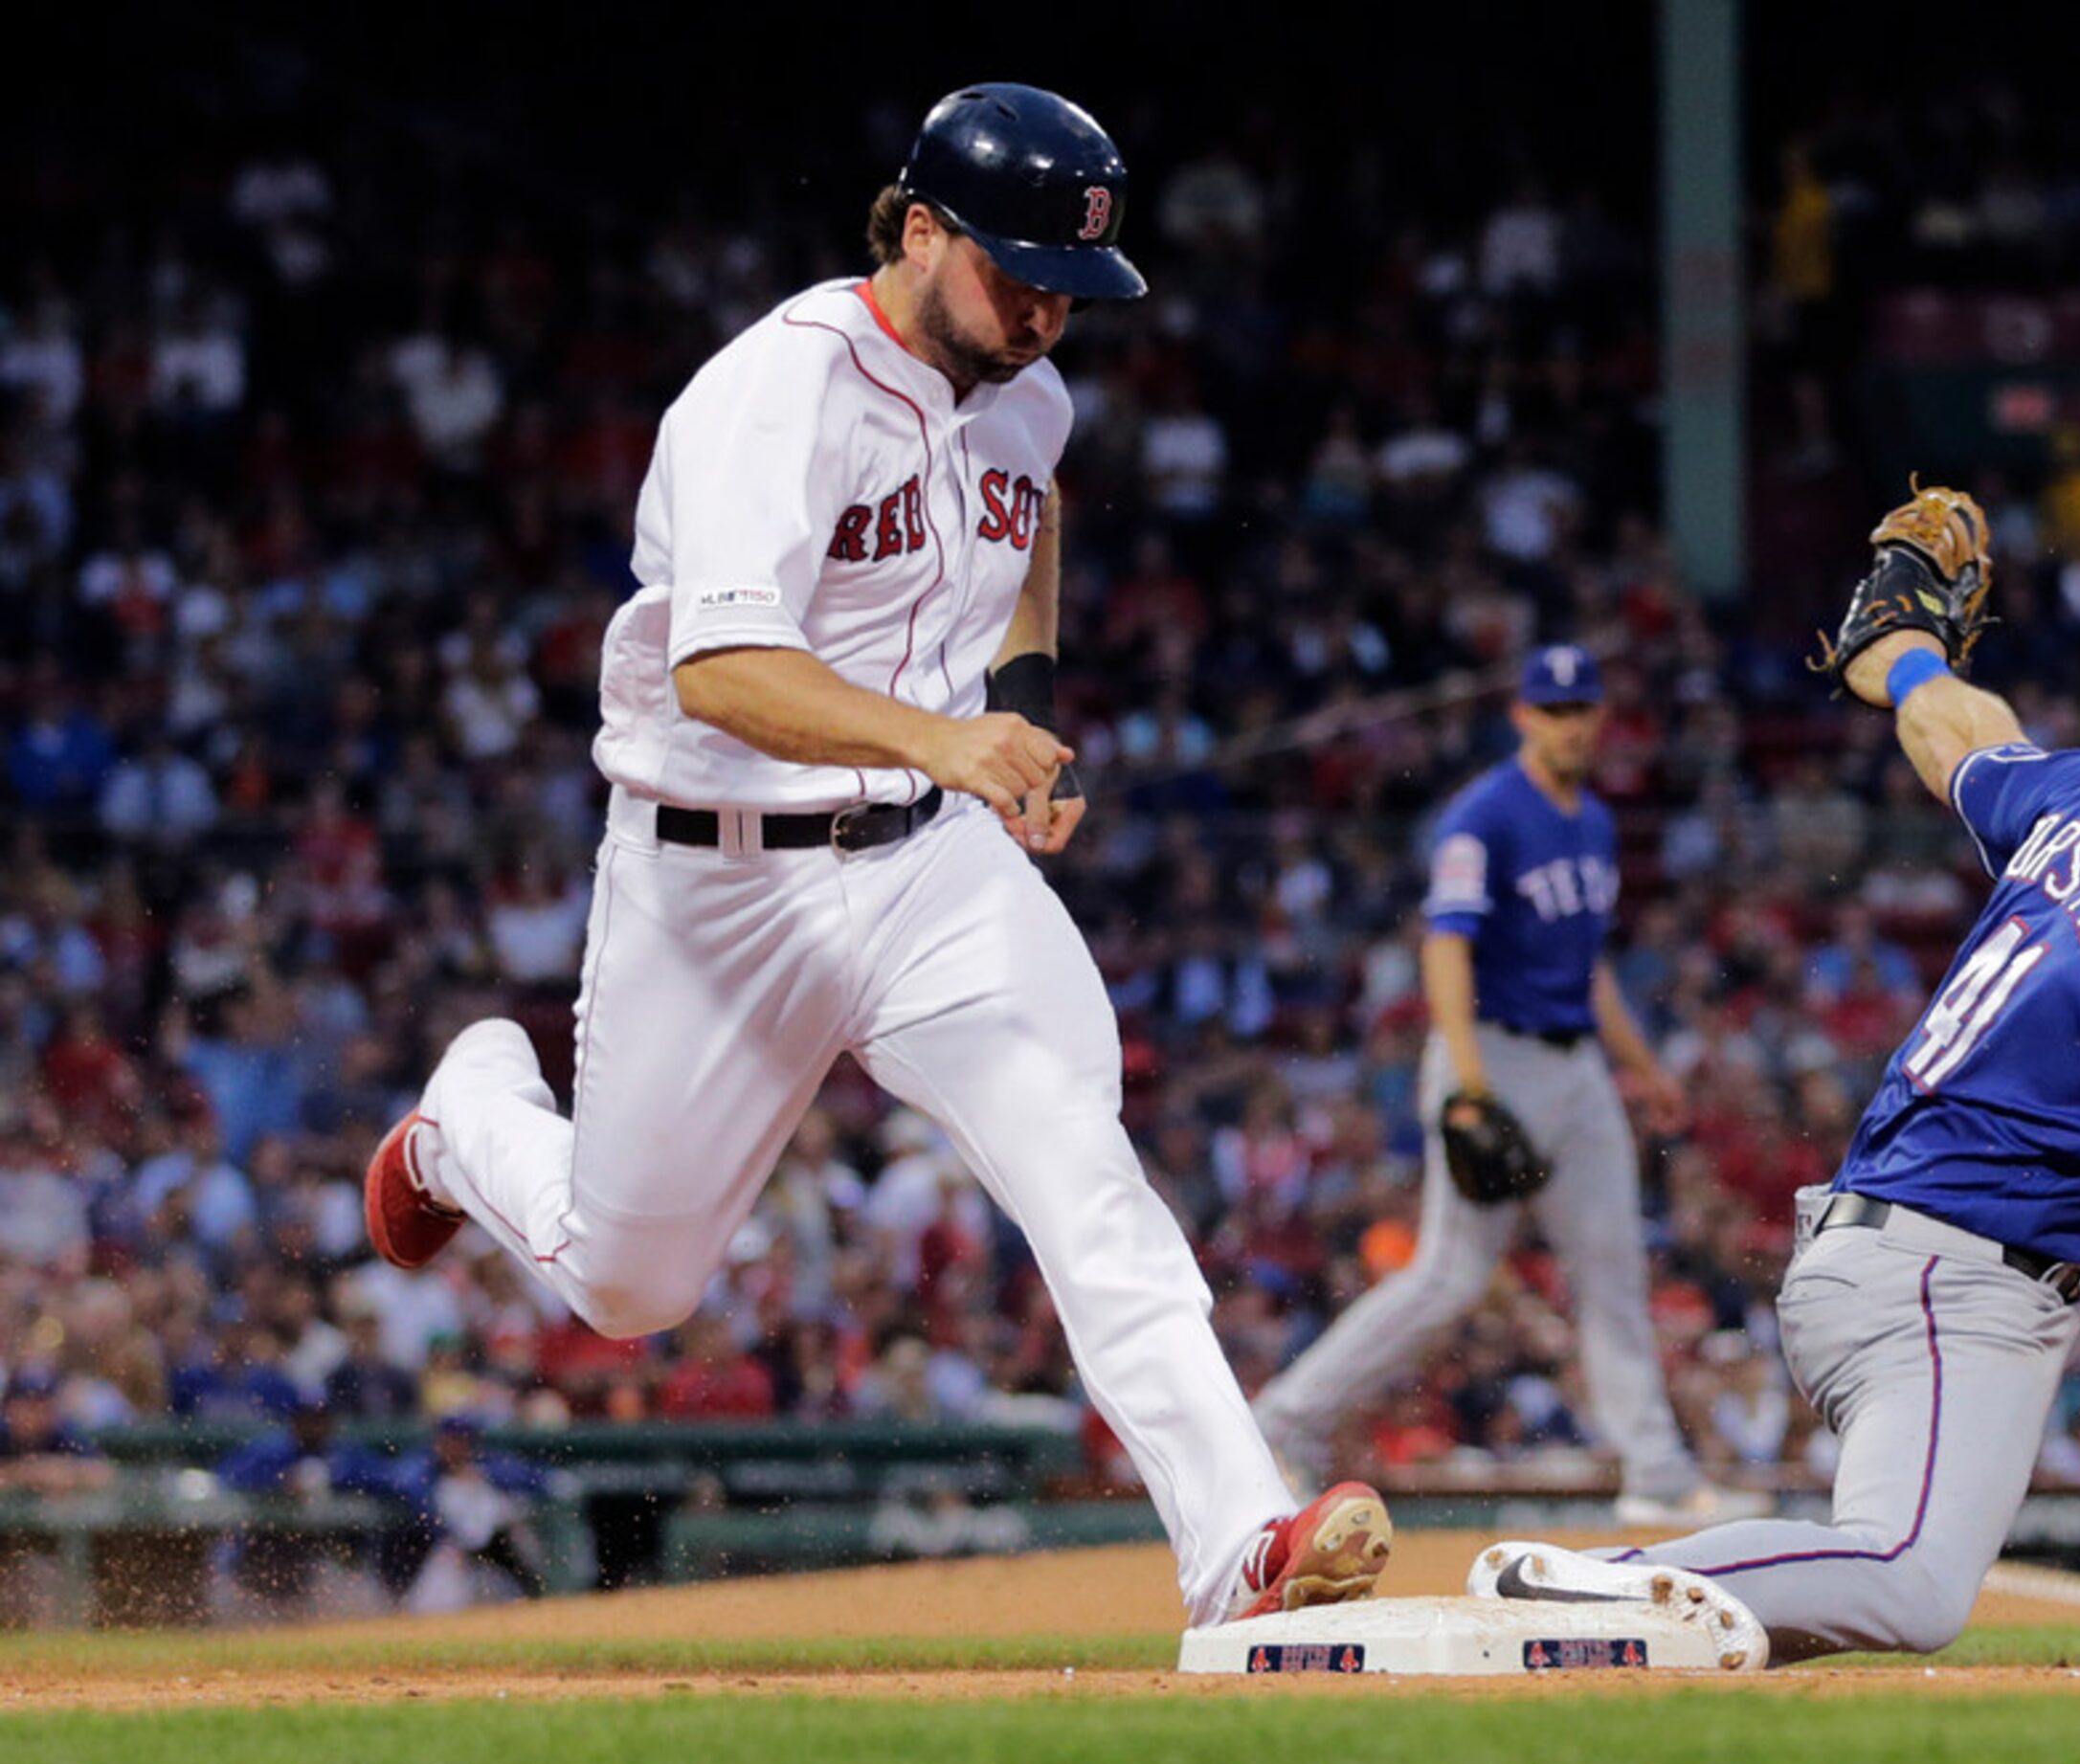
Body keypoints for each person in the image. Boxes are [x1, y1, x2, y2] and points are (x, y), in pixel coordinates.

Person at [358, 82, 1388, 1629]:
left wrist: (1019, 710)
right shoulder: (776, 393)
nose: (1046, 310)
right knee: (629, 1285)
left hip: (928, 871)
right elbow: (724, 670)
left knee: (1080, 1165)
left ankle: (1238, 1544)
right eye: (1017, 272)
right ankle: (468, 1117)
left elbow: (1025, 520)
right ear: (920, 228)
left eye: (1071, 286)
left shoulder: (1030, 394)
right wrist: (945, 739)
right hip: (718, 879)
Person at [1476, 549, 2080, 1667]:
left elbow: (1955, 733)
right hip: (1942, 1284)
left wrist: (1910, 658)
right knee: (1911, 1585)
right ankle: (1599, 1587)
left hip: (1916, 1247)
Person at [1254, 645, 1770, 1527]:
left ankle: (1654, 1472)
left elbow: (1587, 965)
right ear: (1523, 715)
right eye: (1553, 709)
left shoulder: (1595, 823)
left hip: (1575, 1064)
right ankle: (1280, 1424)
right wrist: (1465, 1078)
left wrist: (1643, 1070)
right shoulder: (1483, 817)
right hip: (1492, 1053)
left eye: (1582, 709)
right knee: (1450, 1277)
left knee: (1611, 1271)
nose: (1571, 724)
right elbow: (1444, 944)